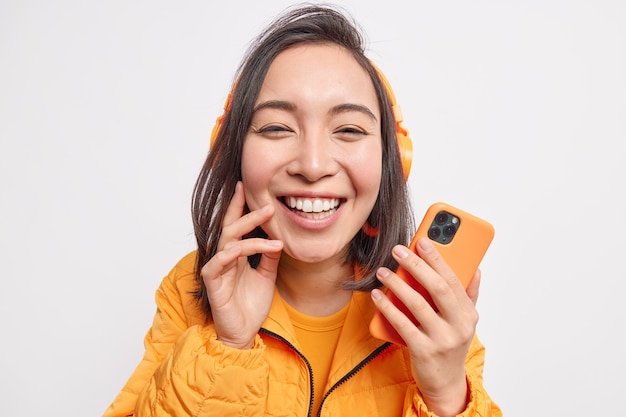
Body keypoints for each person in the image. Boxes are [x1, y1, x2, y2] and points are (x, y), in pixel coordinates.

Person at [102, 4, 501, 417]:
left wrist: (447, 396)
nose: (312, 166)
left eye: (348, 130)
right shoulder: (190, 287)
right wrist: (228, 347)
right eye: (277, 127)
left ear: (393, 161)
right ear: (230, 151)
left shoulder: (430, 308)